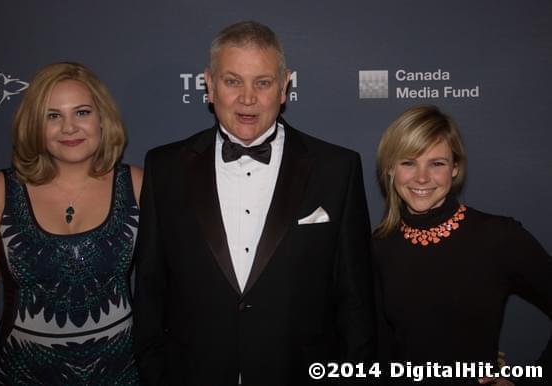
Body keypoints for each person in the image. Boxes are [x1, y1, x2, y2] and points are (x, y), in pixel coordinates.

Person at [133, 21, 375, 385]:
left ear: (284, 87)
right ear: (209, 85)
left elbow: (356, 300)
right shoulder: (164, 167)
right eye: (233, 81)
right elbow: (151, 288)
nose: (248, 98)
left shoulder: (337, 169)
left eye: (262, 82)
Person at [0, 62, 143, 385]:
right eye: (53, 116)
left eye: (81, 113)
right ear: (34, 125)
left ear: (102, 119)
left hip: (120, 375)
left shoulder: (138, 186)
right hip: (20, 375)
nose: (69, 128)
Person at [373, 105, 551, 385]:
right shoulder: (378, 247)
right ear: (390, 169)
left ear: (455, 168)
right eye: (408, 162)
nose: (421, 177)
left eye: (437, 163)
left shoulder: (498, 237)